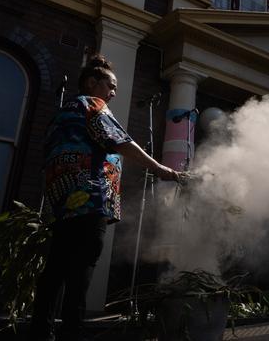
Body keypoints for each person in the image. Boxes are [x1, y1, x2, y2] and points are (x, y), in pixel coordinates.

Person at [29, 55, 183, 341]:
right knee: (81, 271)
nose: (113, 93)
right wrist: (162, 169)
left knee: (55, 271)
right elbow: (121, 141)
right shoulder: (93, 105)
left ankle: (41, 332)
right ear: (92, 82)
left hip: (63, 205)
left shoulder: (62, 113)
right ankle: (71, 332)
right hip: (89, 200)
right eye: (110, 86)